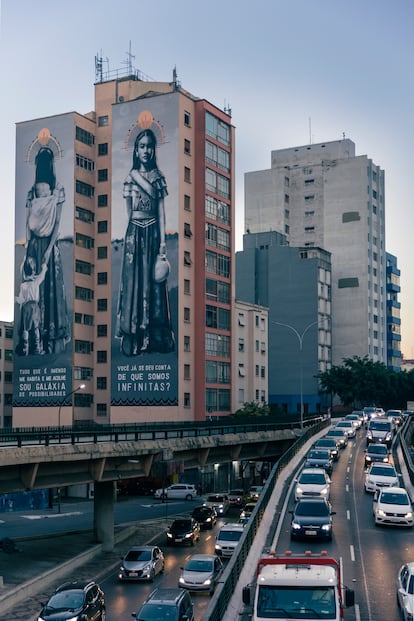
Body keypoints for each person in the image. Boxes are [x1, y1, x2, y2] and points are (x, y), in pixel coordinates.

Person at [116, 128, 175, 356]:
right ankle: (134, 335)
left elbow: (160, 213)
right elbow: (129, 213)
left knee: (153, 285)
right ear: (136, 150)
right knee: (134, 284)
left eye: (150, 146)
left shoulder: (158, 177)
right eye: (142, 146)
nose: (146, 150)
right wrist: (131, 238)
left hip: (152, 235)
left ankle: (153, 336)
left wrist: (162, 245)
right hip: (135, 235)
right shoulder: (130, 178)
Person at [24, 146, 70, 354]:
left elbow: (57, 224)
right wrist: (28, 251)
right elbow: (29, 224)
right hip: (36, 246)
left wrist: (49, 249)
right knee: (37, 291)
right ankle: (36, 339)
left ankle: (49, 338)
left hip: (48, 246)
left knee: (49, 289)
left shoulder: (58, 189)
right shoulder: (32, 192)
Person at [15, 258, 48, 356]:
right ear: (33, 271)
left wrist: (15, 298)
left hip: (26, 308)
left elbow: (21, 299)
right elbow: (42, 276)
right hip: (34, 306)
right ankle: (37, 349)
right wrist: (44, 268)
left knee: (26, 328)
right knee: (36, 328)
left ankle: (25, 349)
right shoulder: (35, 282)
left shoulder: (23, 285)